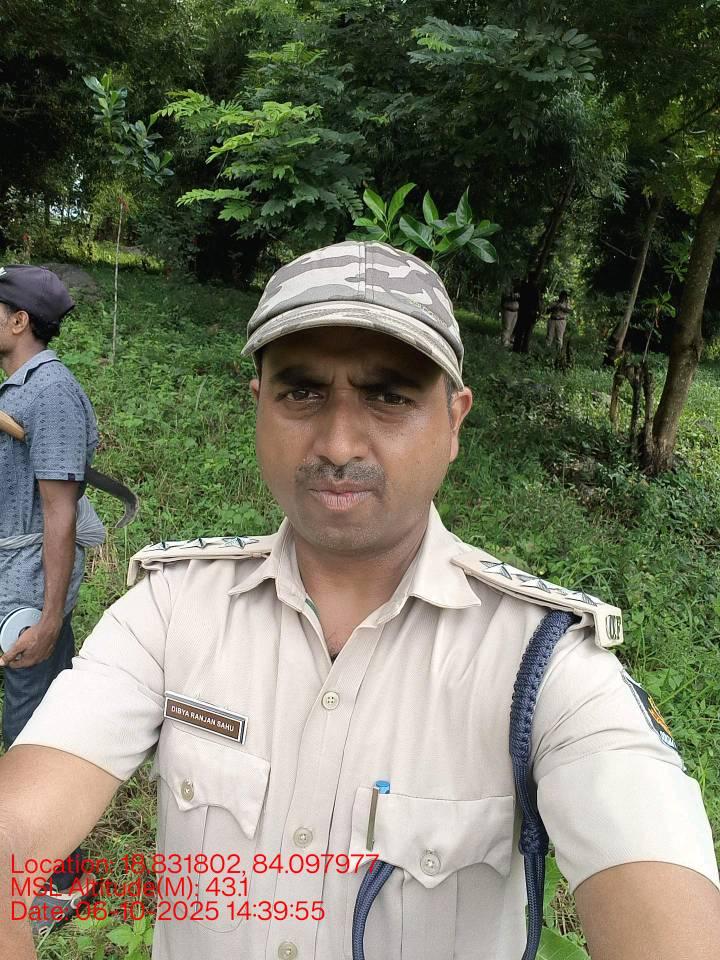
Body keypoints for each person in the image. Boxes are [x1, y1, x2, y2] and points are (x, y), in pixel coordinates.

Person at [0, 242, 718, 960]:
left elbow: (662, 894)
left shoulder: (545, 666)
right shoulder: (170, 611)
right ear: (259, 406)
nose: (339, 444)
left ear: (454, 421)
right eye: (302, 393)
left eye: (390, 396)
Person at [0, 265, 103, 930]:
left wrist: (49, 616)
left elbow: (59, 514)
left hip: (31, 583)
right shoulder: (19, 388)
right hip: (10, 574)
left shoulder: (53, 391)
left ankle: (63, 881)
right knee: (24, 718)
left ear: (18, 321)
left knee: (33, 730)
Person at [500, 283, 520, 347]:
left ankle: (507, 342)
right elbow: (505, 297)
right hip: (508, 310)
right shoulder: (506, 287)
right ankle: (504, 343)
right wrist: (513, 296)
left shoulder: (518, 288)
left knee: (512, 328)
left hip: (515, 311)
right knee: (507, 327)